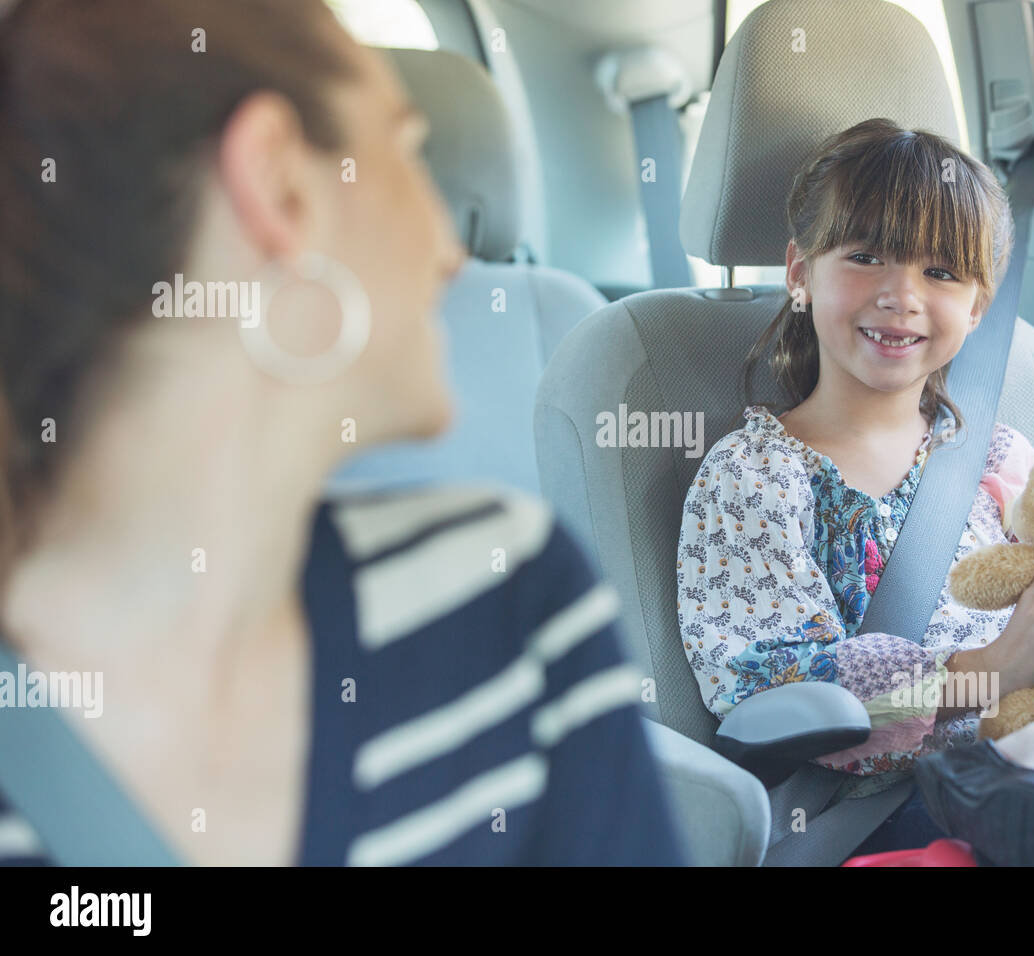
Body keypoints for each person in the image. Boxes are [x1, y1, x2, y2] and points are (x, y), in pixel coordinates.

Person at [0, 0, 682, 866]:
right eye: (405, 152)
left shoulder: (513, 601)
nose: (448, 248)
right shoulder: (500, 607)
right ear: (280, 186)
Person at [676, 118, 1034, 866]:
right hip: (883, 810)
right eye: (866, 257)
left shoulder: (1002, 458)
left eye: (942, 273)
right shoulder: (754, 478)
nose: (901, 295)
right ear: (800, 272)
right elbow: (788, 704)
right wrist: (991, 671)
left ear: (979, 306)